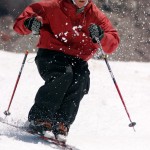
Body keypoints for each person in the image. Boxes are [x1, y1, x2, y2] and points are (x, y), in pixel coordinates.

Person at [13, 0, 120, 142]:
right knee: (64, 75)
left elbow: (112, 42)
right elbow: (19, 24)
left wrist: (102, 36)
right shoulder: (52, 6)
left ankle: (61, 122)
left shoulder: (95, 15)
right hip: (51, 53)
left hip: (78, 59)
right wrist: (29, 23)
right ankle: (40, 118)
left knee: (80, 80)